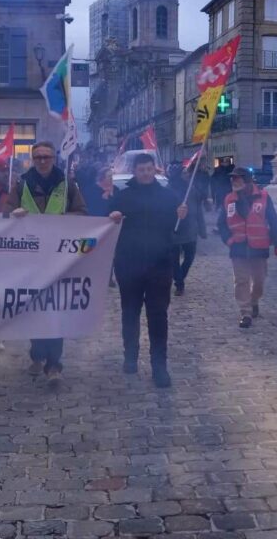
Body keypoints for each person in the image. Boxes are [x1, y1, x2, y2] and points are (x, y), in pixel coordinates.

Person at [7, 141, 87, 384]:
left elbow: (82, 212)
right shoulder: (21, 184)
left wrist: (65, 219)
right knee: (33, 309)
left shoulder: (68, 184)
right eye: (38, 157)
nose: (42, 160)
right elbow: (6, 213)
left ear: (54, 158)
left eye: (46, 157)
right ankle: (37, 354)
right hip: (29, 258)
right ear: (33, 159)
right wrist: (14, 213)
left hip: (58, 258)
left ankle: (54, 364)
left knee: (55, 310)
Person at [109, 153, 187, 387]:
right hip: (129, 263)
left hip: (160, 264)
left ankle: (159, 366)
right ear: (135, 171)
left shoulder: (169, 196)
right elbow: (107, 221)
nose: (145, 173)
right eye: (141, 170)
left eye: (148, 169)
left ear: (155, 170)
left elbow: (179, 231)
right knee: (130, 313)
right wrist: (111, 216)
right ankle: (130, 356)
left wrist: (182, 216)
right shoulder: (122, 196)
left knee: (158, 316)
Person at [217, 167, 277, 328]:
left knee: (259, 281)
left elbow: (273, 220)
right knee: (241, 281)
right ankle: (245, 312)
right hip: (238, 247)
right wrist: (229, 240)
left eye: (237, 179)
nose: (234, 181)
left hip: (259, 246)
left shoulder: (263, 197)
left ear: (247, 181)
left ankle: (254, 300)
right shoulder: (229, 199)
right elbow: (221, 223)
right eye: (232, 179)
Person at [167, 161, 207, 295]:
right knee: (174, 259)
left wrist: (202, 229)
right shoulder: (169, 189)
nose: (187, 174)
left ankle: (180, 277)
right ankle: (179, 283)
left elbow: (198, 210)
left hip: (191, 229)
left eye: (187, 172)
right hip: (175, 229)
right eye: (184, 172)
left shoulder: (192, 189)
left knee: (189, 257)